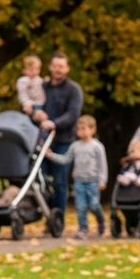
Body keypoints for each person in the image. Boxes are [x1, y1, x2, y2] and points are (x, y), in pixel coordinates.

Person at [31, 52, 84, 214]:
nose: (58, 69)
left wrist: (54, 123)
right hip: (42, 141)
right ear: (50, 67)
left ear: (67, 69)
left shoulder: (74, 90)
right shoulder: (42, 87)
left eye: (61, 66)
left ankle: (57, 215)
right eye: (55, 66)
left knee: (60, 181)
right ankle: (44, 211)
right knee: (40, 177)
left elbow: (73, 114)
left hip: (64, 141)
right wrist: (35, 113)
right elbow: (32, 106)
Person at [45, 114, 107, 238]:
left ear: (92, 129)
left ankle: (101, 221)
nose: (80, 132)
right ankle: (83, 229)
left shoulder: (97, 147)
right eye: (78, 129)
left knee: (94, 205)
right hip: (79, 182)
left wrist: (102, 180)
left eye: (84, 128)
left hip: (93, 181)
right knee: (81, 207)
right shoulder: (75, 146)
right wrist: (51, 156)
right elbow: (65, 159)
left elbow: (102, 165)